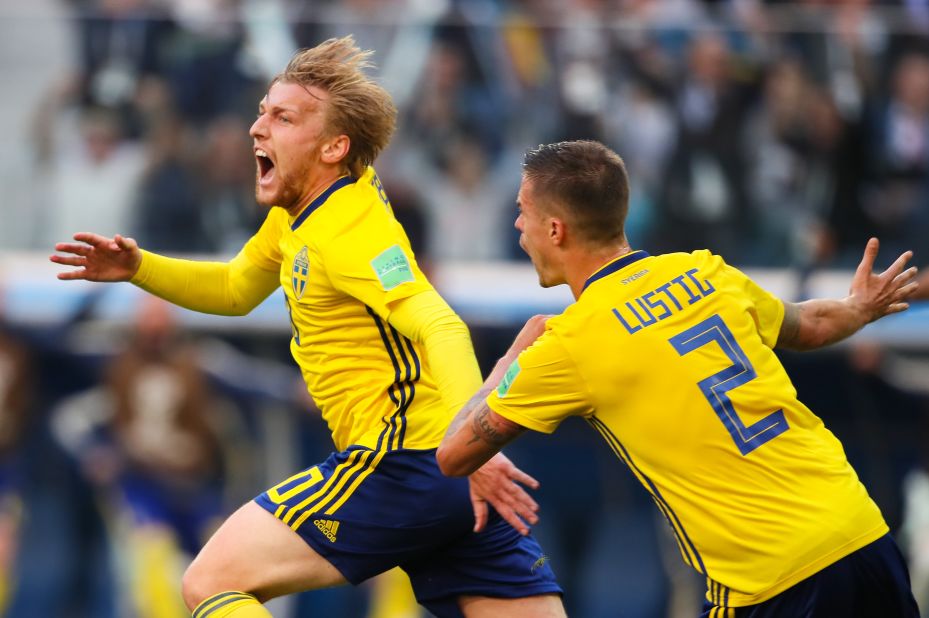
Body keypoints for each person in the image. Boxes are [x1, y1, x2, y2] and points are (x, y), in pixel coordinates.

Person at [51, 37, 564, 618]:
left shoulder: (348, 229)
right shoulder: (299, 213)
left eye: (282, 117)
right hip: (446, 475)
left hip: (401, 461)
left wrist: (477, 438)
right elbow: (236, 289)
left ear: (333, 147)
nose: (256, 128)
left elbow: (441, 323)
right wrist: (138, 267)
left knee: (209, 582)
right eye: (262, 111)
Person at [437, 139, 922, 617]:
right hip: (859, 532)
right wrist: (860, 308)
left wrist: (507, 364)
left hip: (771, 580)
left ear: (556, 229)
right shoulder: (703, 271)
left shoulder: (569, 344)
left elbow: (454, 454)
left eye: (523, 210)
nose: (518, 224)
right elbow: (808, 325)